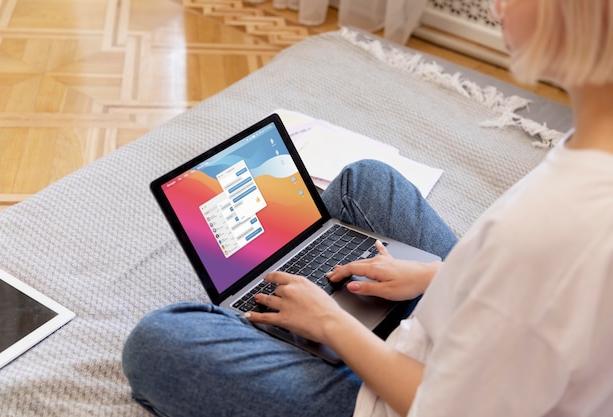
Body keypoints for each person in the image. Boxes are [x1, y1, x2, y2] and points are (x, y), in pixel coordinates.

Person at [122, 0, 613, 416]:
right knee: (367, 181)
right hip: (467, 338)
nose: (494, 5)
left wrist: (330, 323)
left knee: (159, 341)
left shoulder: (553, 227)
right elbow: (536, 300)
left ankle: (309, 331)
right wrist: (436, 276)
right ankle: (313, 300)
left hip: (407, 398)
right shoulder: (592, 153)